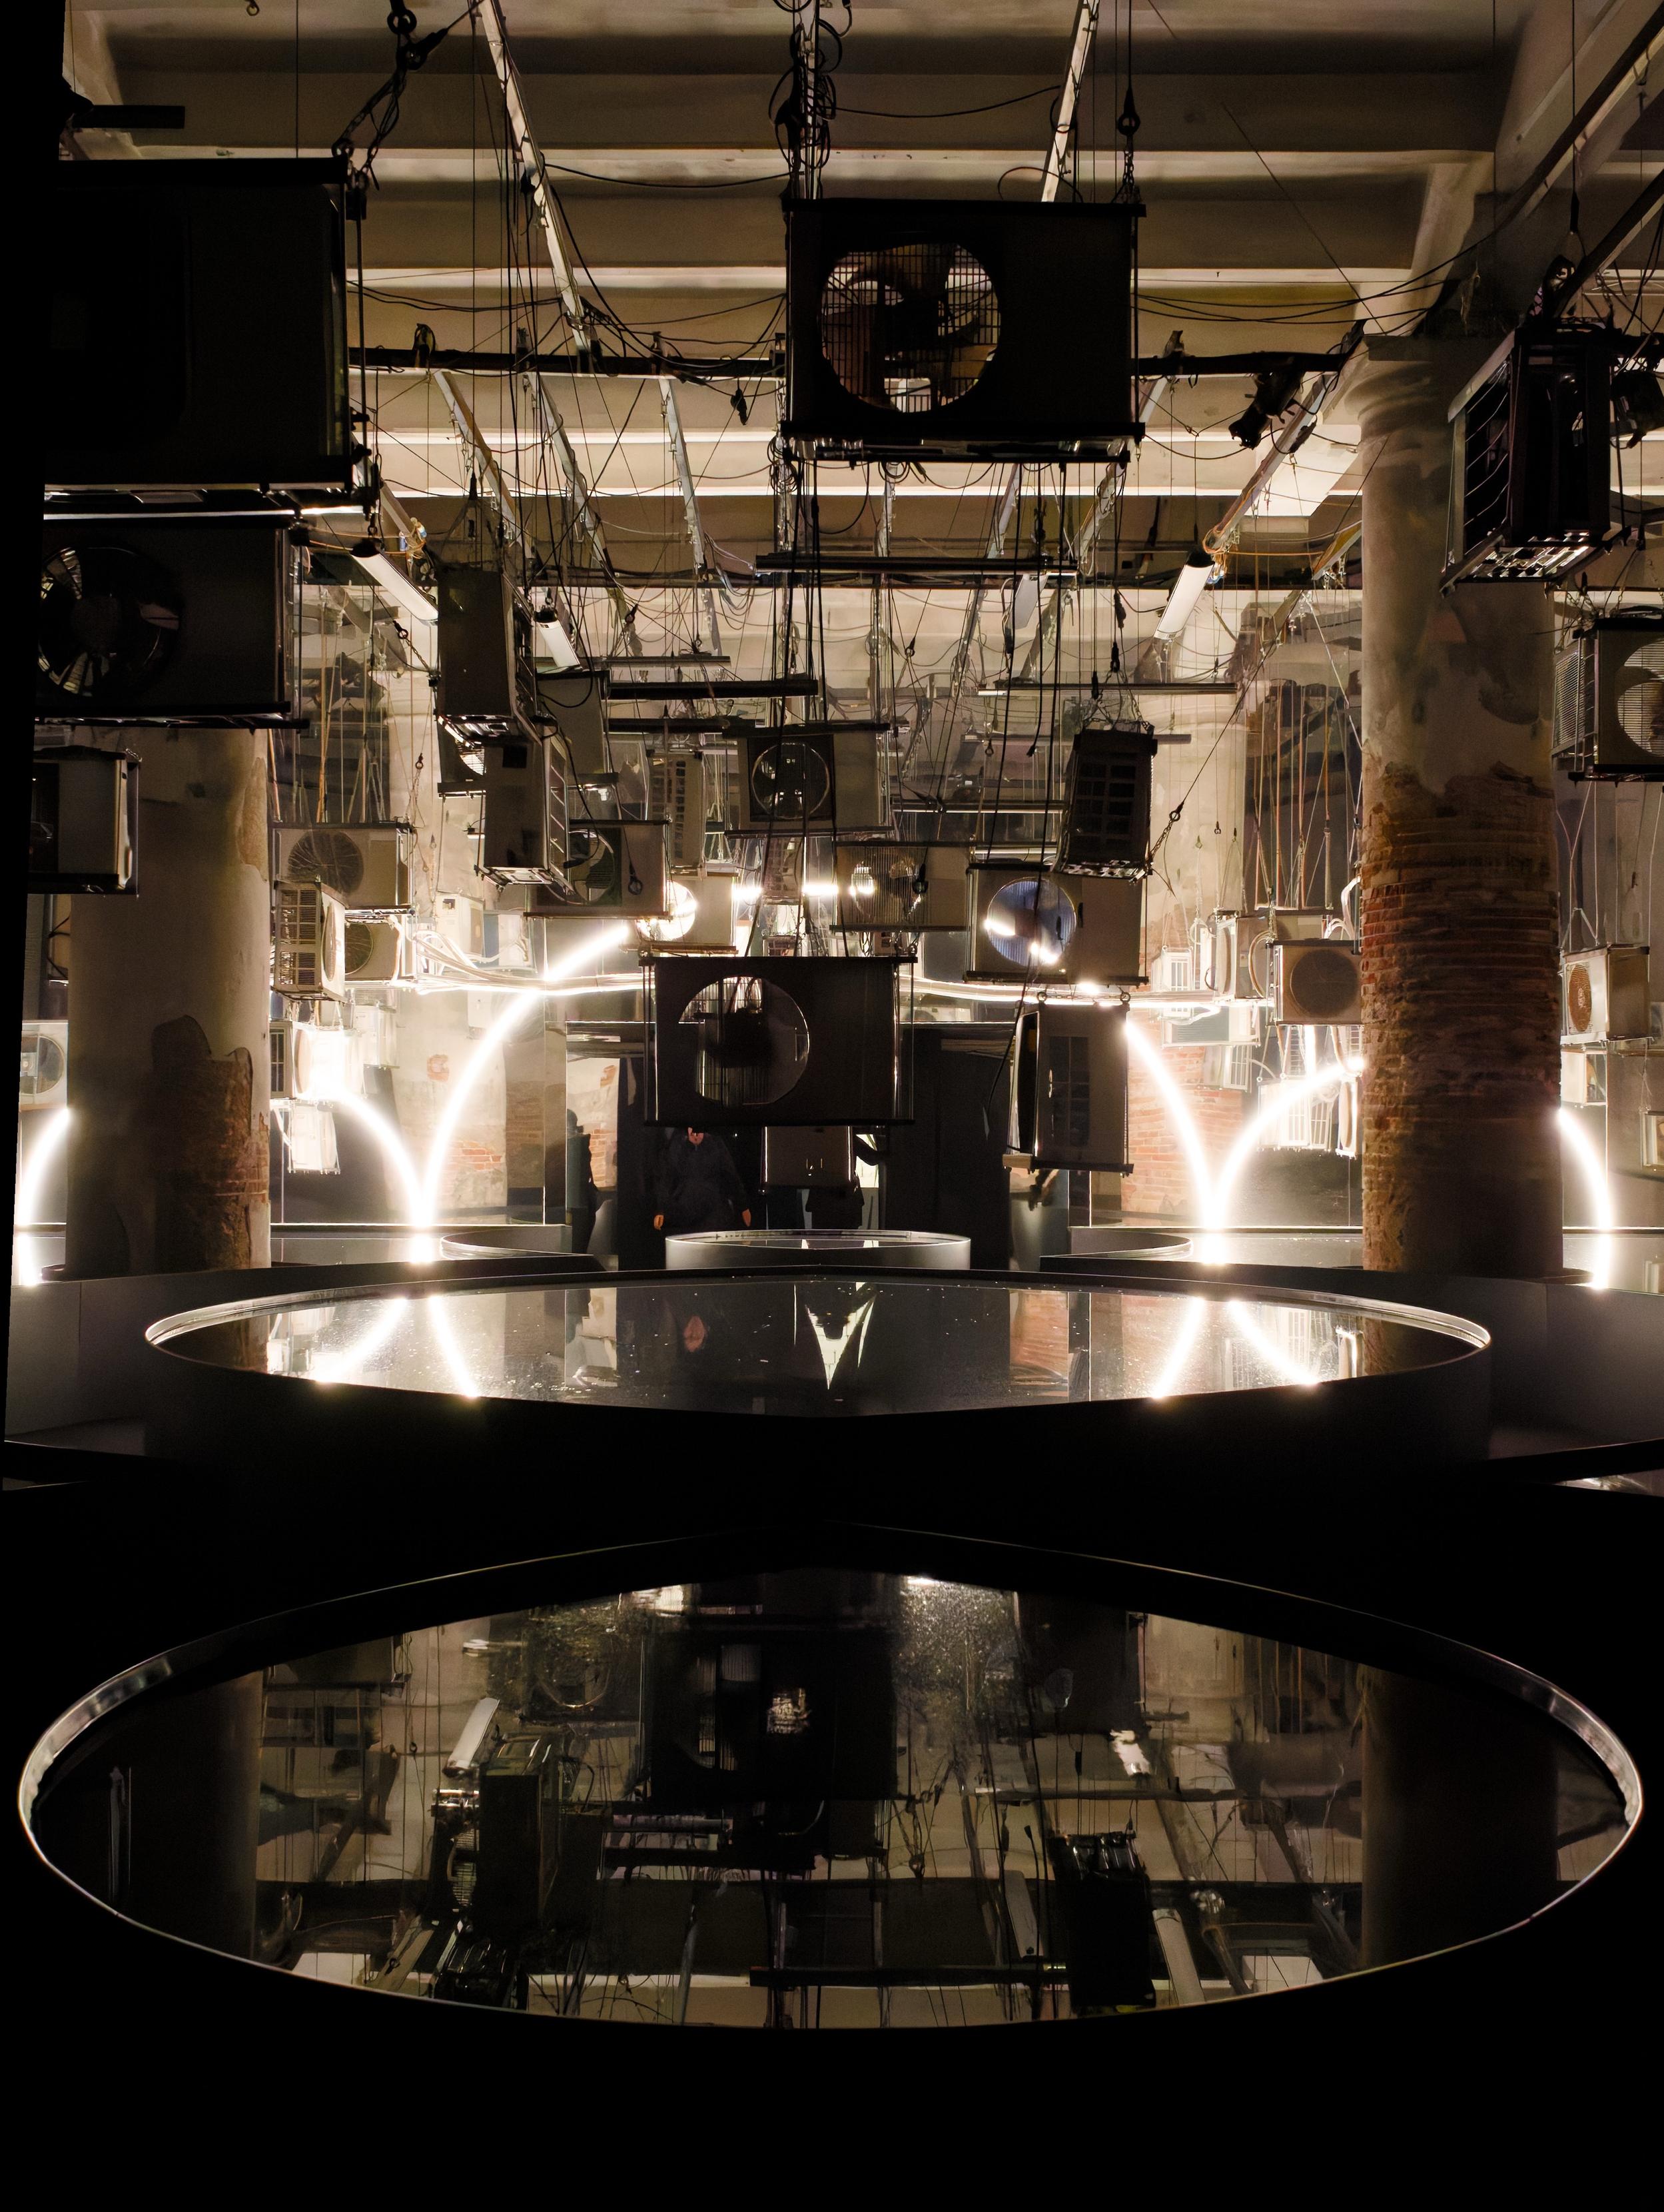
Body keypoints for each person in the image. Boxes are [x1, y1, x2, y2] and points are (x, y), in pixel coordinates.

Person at [651, 1127, 753, 1236]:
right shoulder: (676, 1144)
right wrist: (661, 1210)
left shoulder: (715, 1143)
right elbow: (666, 1179)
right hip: (684, 1214)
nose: (695, 1135)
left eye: (698, 1132)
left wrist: (743, 1206)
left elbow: (731, 1175)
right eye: (693, 1132)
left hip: (713, 1215)